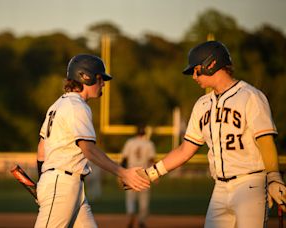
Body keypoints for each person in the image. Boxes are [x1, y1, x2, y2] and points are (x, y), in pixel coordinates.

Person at [140, 41, 286, 228]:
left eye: (196, 70)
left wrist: (273, 177)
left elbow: (265, 141)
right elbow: (185, 150)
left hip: (250, 184)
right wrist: (151, 173)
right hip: (220, 188)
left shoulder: (250, 96)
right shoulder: (202, 104)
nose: (194, 76)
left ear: (211, 64)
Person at [35, 54, 150, 228]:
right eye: (100, 78)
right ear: (86, 77)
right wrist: (122, 172)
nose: (103, 83)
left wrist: (42, 180)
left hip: (67, 185)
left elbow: (41, 149)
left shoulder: (57, 105)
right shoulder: (77, 106)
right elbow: (88, 149)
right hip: (63, 185)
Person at [120, 125, 156, 228]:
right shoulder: (149, 144)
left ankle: (131, 214)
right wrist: (156, 174)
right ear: (144, 133)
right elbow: (151, 160)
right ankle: (141, 220)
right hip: (144, 173)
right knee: (144, 199)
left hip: (130, 173)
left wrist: (121, 174)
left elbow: (124, 159)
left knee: (130, 198)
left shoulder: (130, 142)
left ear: (136, 133)